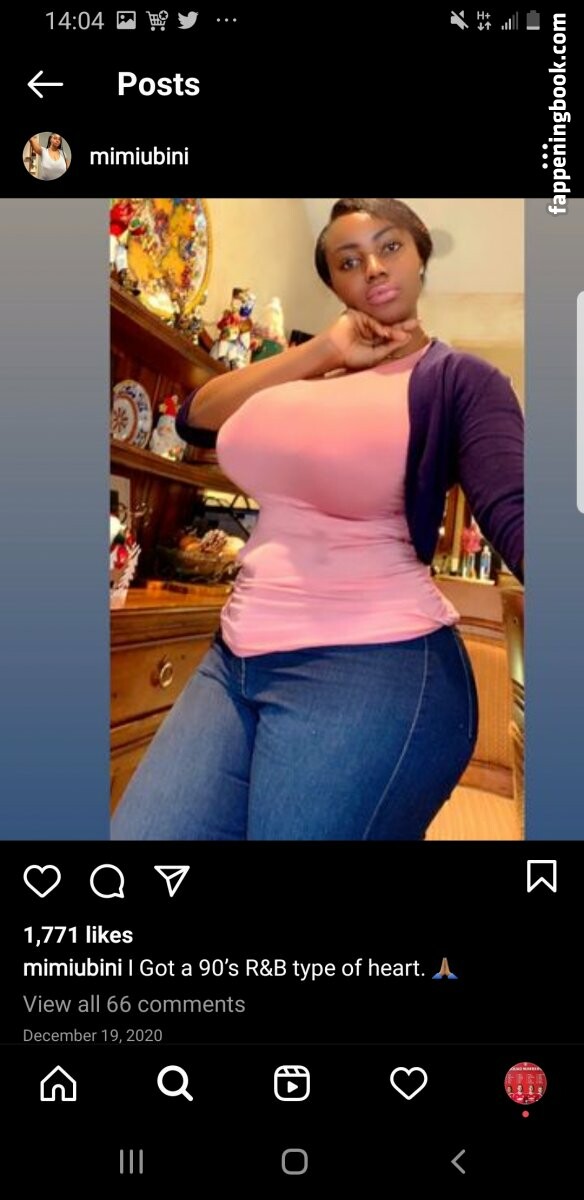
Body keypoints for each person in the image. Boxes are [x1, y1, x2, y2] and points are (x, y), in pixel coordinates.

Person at [112, 198, 524, 842]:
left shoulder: (458, 379)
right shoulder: (304, 376)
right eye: (348, 261)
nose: (373, 267)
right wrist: (323, 352)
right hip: (236, 658)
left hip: (375, 662)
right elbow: (195, 416)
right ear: (334, 284)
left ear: (420, 258)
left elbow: (516, 511)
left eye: (390, 247)